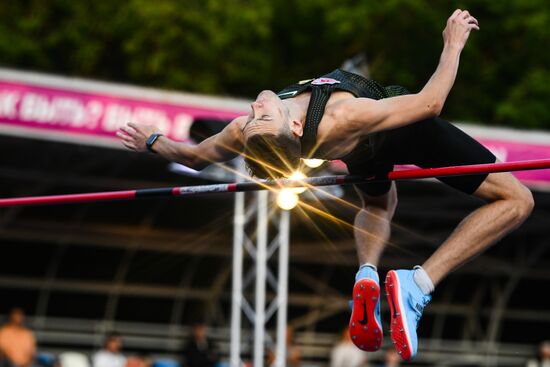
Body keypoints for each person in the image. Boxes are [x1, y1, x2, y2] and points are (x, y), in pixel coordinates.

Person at [118, 9, 534, 361]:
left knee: (376, 205)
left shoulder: (243, 131)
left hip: (363, 155)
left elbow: (192, 157)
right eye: (263, 114)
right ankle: (418, 284)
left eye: (255, 115)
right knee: (517, 200)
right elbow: (430, 102)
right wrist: (453, 44)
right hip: (408, 130)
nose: (254, 108)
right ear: (295, 125)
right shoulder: (341, 117)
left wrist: (153, 141)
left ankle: (366, 274)